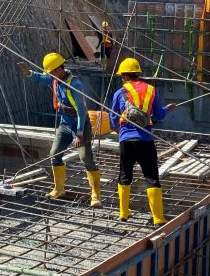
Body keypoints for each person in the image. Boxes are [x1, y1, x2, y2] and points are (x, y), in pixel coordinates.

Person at [18, 52, 101, 206]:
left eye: (50, 72)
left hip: (80, 125)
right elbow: (39, 78)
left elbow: (82, 111)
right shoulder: (54, 78)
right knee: (54, 154)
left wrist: (80, 134)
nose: (49, 75)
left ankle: (95, 195)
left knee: (85, 158)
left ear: (58, 69)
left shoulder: (75, 84)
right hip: (65, 123)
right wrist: (29, 73)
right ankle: (59, 189)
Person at [108, 57, 175, 226]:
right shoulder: (152, 90)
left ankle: (123, 214)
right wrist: (168, 109)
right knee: (151, 177)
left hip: (126, 141)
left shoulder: (120, 92)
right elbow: (159, 115)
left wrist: (117, 129)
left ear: (124, 75)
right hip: (145, 140)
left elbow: (113, 117)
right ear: (137, 73)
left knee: (124, 175)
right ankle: (158, 218)